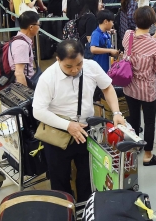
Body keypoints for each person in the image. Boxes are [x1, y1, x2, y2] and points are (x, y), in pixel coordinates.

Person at [32, 40, 126, 202]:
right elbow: (38, 111)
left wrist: (116, 112)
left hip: (85, 131)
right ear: (58, 60)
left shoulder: (91, 67)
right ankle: (66, 210)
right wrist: (68, 125)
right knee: (59, 181)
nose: (75, 70)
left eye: (79, 64)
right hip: (57, 134)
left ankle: (85, 209)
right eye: (69, 66)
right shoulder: (48, 77)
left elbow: (107, 87)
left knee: (87, 176)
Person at [122, 7, 156, 165]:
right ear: (153, 22)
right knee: (149, 122)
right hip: (147, 89)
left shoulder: (128, 36)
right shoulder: (155, 44)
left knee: (133, 118)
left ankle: (135, 148)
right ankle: (148, 156)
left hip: (130, 85)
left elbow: (130, 49)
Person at [9, 11, 41, 88]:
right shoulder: (22, 45)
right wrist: (26, 95)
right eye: (38, 25)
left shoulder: (18, 39)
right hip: (26, 84)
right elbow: (19, 73)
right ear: (31, 27)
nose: (39, 27)